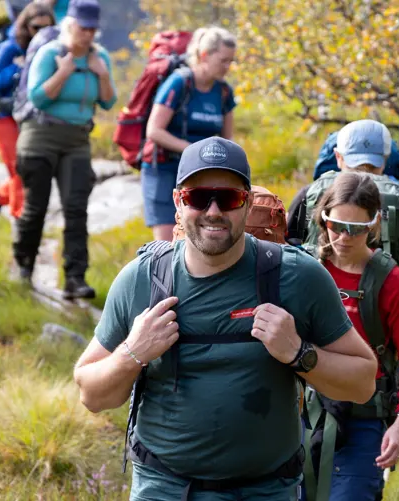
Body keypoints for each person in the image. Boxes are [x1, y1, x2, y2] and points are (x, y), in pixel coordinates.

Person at [73, 137, 380, 501]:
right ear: (178, 203)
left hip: (266, 491)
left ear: (248, 203)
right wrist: (133, 353)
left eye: (229, 198)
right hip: (165, 488)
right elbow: (91, 394)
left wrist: (299, 353)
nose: (214, 211)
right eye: (199, 198)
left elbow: (363, 383)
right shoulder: (143, 279)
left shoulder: (298, 277)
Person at [286, 120, 399, 398]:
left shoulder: (309, 195)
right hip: (383, 356)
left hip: (310, 355)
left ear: (338, 156)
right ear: (386, 160)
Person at [301, 171, 399, 500]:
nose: (343, 237)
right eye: (335, 225)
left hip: (365, 419)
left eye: (355, 229)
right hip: (304, 413)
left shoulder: (394, 283)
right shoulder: (307, 270)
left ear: (373, 225)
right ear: (323, 217)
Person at [10, 0, 117, 298]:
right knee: (36, 207)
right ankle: (24, 268)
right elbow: (38, 98)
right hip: (40, 135)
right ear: (69, 25)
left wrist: (102, 75)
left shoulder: (101, 57)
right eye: (83, 28)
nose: (88, 35)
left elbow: (108, 102)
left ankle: (75, 278)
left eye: (93, 29)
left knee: (76, 208)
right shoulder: (49, 53)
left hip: (77, 140)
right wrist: (64, 72)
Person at [141, 26, 237, 242]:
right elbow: (154, 130)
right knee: (166, 245)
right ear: (204, 55)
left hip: (201, 175)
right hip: (165, 171)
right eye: (223, 60)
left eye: (231, 61)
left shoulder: (223, 92)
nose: (228, 67)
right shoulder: (179, 83)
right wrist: (193, 150)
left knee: (198, 241)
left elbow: (227, 140)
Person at [0, 3, 56, 225]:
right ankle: (21, 226)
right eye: (35, 28)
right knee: (19, 170)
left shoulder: (49, 49)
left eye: (46, 28)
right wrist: (17, 70)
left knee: (29, 170)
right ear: (25, 26)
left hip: (28, 118)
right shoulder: (11, 48)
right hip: (1, 116)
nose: (40, 33)